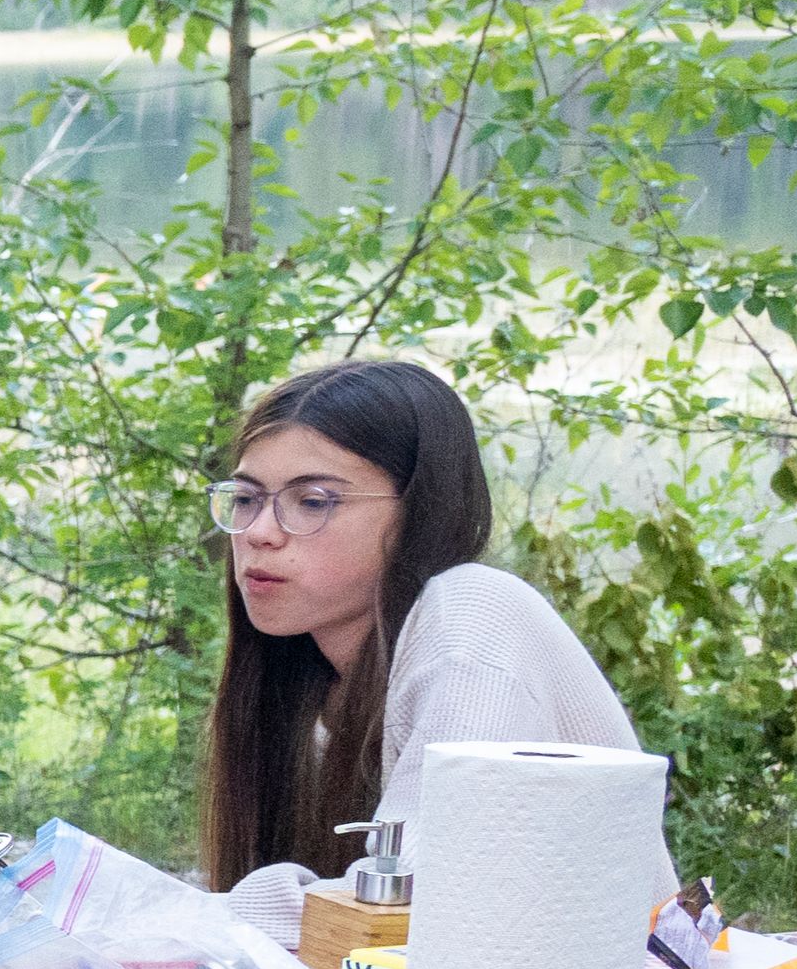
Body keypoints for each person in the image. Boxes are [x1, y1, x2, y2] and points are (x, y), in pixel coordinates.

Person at [198, 356, 639, 923]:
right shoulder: (307, 676)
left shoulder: (473, 615)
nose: (258, 533)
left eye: (312, 501)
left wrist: (188, 919)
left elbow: (414, 896)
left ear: (420, 512)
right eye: (245, 498)